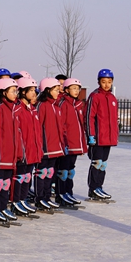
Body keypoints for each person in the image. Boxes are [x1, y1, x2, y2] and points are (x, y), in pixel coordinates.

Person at [0, 76, 22, 225]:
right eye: (12, 91)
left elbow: (17, 134)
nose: (15, 94)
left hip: (10, 155)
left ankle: (2, 208)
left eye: (16, 91)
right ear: (3, 92)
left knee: (6, 184)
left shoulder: (12, 109)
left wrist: (18, 152)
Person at [10, 76, 42, 217]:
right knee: (19, 177)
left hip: (33, 151)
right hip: (22, 151)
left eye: (34, 90)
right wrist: (19, 150)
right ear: (22, 92)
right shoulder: (18, 109)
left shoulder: (33, 109)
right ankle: (15, 201)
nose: (34, 93)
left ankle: (22, 199)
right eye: (30, 91)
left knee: (27, 177)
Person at [85, 68, 119, 201]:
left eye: (109, 82)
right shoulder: (95, 96)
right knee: (96, 162)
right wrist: (90, 135)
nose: (106, 85)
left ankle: (99, 186)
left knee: (103, 164)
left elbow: (114, 119)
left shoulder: (112, 98)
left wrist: (115, 134)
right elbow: (89, 117)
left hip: (108, 138)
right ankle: (93, 188)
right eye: (104, 82)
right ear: (99, 82)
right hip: (98, 137)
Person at [55, 77, 87, 207]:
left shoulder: (78, 104)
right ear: (67, 89)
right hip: (66, 143)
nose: (76, 91)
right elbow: (61, 124)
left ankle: (68, 192)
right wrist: (64, 142)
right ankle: (60, 194)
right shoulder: (64, 104)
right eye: (73, 88)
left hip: (75, 143)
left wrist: (82, 144)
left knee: (70, 170)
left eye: (78, 88)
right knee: (63, 170)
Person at [33, 78, 65, 211]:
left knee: (50, 172)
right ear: (47, 90)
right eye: (56, 90)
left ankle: (46, 197)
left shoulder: (56, 106)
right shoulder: (42, 105)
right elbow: (37, 126)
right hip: (44, 146)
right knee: (41, 172)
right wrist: (38, 145)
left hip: (54, 147)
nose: (58, 92)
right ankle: (39, 198)